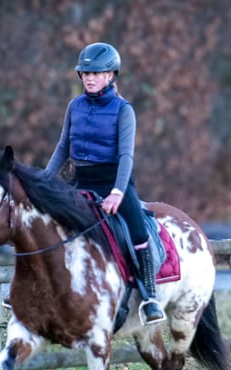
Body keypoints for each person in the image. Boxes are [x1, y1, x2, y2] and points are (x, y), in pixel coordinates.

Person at [43, 42, 165, 325]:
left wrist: (118, 193)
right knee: (48, 224)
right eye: (85, 73)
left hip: (115, 181)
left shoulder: (124, 110)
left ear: (111, 75)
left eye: (96, 73)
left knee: (137, 230)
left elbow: (126, 156)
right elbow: (63, 148)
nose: (89, 77)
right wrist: (43, 182)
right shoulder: (74, 105)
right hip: (81, 180)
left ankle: (149, 297)